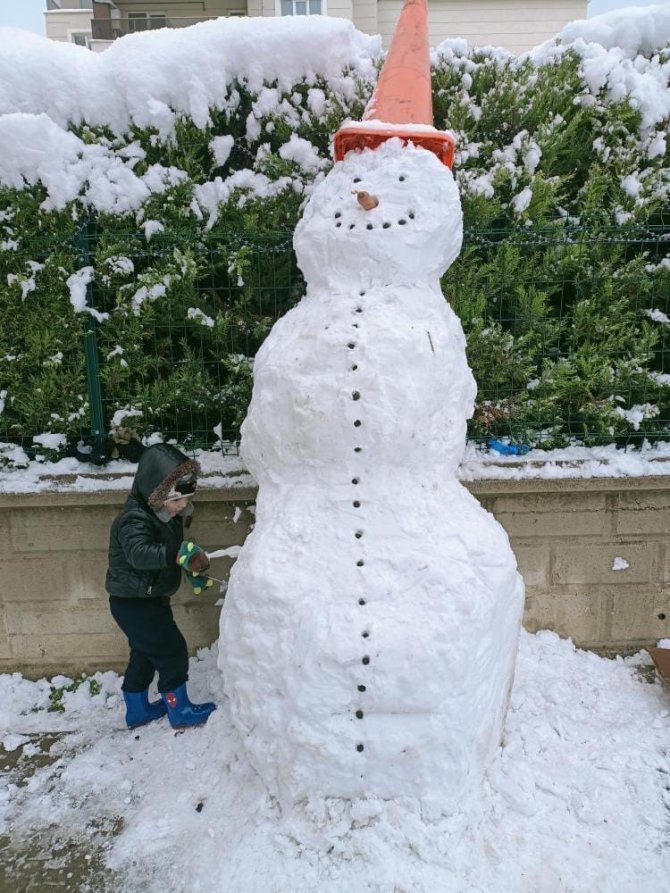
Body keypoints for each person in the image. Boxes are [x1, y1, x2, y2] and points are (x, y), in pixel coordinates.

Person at [106, 443, 217, 730]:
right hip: (134, 602)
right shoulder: (134, 518)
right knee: (171, 651)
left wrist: (190, 566)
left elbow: (175, 551)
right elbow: (139, 553)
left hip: (146, 599)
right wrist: (176, 555)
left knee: (144, 654)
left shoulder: (162, 513)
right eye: (177, 500)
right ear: (156, 491)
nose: (182, 506)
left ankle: (138, 709)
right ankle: (179, 710)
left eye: (186, 499)